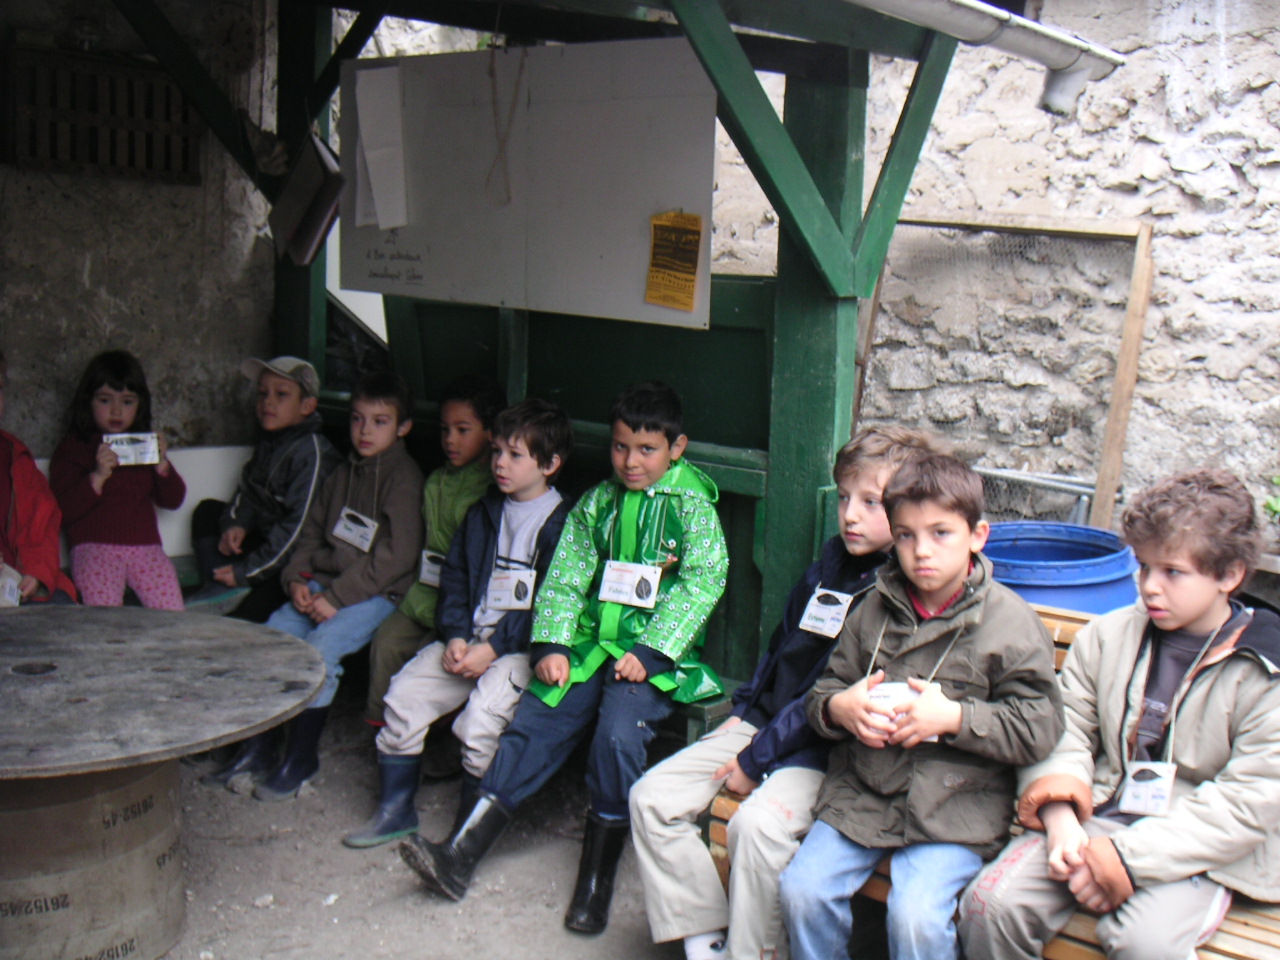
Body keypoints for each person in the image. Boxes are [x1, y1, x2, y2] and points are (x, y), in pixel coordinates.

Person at [399, 381, 729, 936]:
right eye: (621, 447)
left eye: (647, 449)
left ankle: (595, 882)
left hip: (652, 657)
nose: (630, 461)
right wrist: (551, 644)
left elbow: (702, 582)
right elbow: (564, 579)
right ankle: (460, 854)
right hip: (587, 645)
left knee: (618, 736)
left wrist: (651, 651)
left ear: (676, 448)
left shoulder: (692, 506)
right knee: (539, 714)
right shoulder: (596, 504)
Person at [630, 426, 942, 960]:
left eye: (870, 502)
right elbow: (781, 649)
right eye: (844, 497)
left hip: (820, 750)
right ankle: (707, 936)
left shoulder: (891, 594)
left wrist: (756, 759)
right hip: (766, 727)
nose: (850, 515)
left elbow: (828, 695)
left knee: (755, 828)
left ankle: (752, 950)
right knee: (651, 799)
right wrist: (745, 709)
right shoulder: (828, 568)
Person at [959, 468, 1280, 960]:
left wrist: (1126, 861)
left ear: (1229, 575)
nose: (1150, 587)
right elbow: (1063, 729)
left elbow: (1250, 799)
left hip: (1201, 848)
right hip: (1098, 812)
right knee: (990, 906)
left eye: (1173, 572)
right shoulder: (1108, 636)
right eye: (1144, 567)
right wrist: (1061, 816)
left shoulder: (1266, 669)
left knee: (1144, 945)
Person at [778, 453, 1064, 960]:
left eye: (941, 533)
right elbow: (824, 691)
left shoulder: (1011, 624)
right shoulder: (873, 607)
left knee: (915, 918)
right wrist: (841, 709)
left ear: (977, 536)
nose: (921, 551)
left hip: (955, 807)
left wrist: (956, 718)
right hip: (865, 793)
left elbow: (1039, 725)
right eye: (906, 536)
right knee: (803, 889)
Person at [343, 398, 575, 848]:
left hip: (521, 650)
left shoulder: (562, 524)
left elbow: (553, 604)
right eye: (497, 452)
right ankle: (395, 810)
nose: (500, 463)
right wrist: (453, 636)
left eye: (515, 455)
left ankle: (463, 840)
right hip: (470, 640)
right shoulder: (484, 512)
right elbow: (455, 579)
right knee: (404, 696)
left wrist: (494, 648)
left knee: (480, 725)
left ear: (549, 464)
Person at [251, 370, 425, 803]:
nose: (365, 431)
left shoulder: (403, 478)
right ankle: (258, 747)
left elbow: (397, 556)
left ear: (403, 427)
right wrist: (296, 579)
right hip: (322, 586)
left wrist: (336, 597)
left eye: (380, 422)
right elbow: (311, 533)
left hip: (376, 593)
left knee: (320, 652)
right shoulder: (342, 474)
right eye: (357, 419)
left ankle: (300, 758)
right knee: (272, 636)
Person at [364, 374, 507, 726]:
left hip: (463, 603)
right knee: (386, 643)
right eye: (445, 430)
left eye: (463, 430)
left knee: (433, 660)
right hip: (423, 593)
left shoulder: (492, 491)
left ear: (490, 433)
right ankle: (383, 729)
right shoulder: (435, 482)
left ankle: (426, 734)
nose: (450, 440)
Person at [189, 356, 341, 622]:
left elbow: (296, 534)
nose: (267, 402)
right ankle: (218, 589)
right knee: (208, 512)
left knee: (241, 621)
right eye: (262, 393)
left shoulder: (312, 456)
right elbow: (248, 490)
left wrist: (245, 572)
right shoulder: (271, 439)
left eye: (281, 394)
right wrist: (236, 524)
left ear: (307, 405)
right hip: (267, 542)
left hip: (294, 560)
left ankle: (231, 592)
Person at [50, 350, 186, 610]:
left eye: (127, 402)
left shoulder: (142, 445)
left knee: (172, 613)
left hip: (146, 548)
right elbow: (60, 511)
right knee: (104, 617)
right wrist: (97, 477)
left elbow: (173, 499)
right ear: (88, 401)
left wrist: (162, 465)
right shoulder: (73, 448)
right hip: (94, 548)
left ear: (140, 405)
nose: (116, 410)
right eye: (105, 400)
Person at [0, 350, 77, 606]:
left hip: (17, 585)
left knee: (66, 611)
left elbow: (42, 524)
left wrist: (35, 572)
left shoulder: (14, 457)